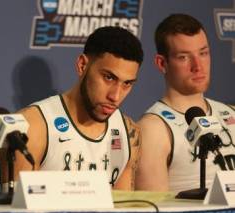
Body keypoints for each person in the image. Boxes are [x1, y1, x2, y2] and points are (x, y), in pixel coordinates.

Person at [9, 26, 143, 190]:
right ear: (82, 65)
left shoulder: (129, 132)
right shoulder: (32, 126)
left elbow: (123, 208)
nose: (115, 96)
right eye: (108, 77)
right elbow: (20, 208)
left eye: (127, 84)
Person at [135, 14, 235, 193]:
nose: (198, 65)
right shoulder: (153, 128)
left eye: (203, 53)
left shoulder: (231, 113)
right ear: (162, 63)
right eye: (183, 57)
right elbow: (155, 210)